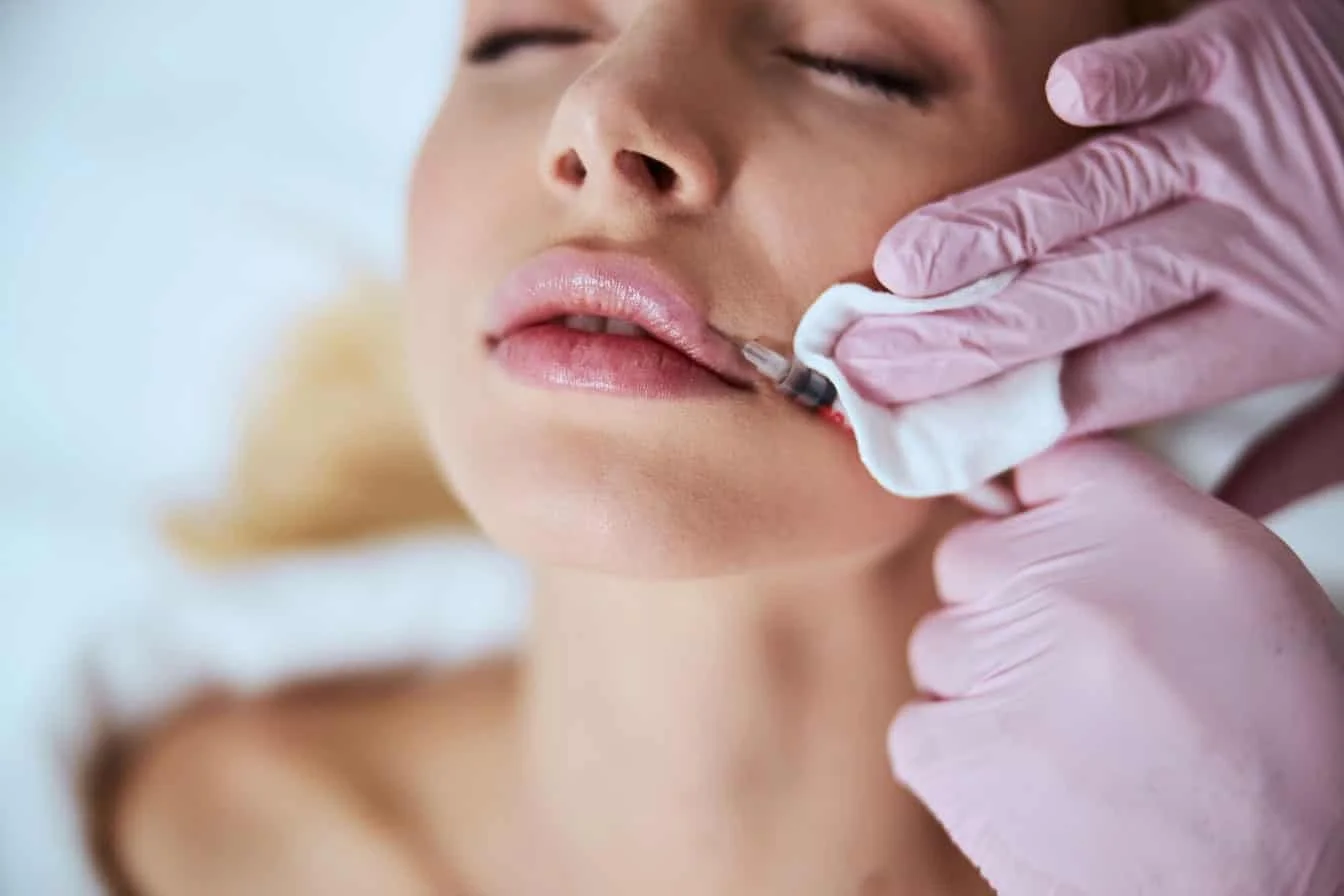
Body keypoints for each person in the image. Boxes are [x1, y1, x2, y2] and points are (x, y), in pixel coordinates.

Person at [90, 1, 1344, 895]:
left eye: (853, 61)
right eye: (523, 35)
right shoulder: (100, 808)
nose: (605, 113)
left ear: (1152, 257)